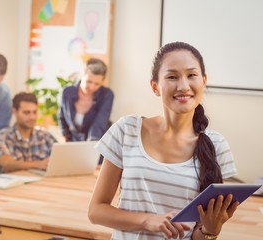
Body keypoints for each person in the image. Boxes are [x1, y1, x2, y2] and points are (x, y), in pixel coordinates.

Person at [88, 42, 239, 240]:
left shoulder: (216, 146)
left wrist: (210, 230)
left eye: (191, 75)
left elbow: (197, 235)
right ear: (155, 86)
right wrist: (148, 221)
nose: (183, 86)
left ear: (203, 81)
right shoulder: (127, 130)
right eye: (172, 77)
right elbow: (96, 211)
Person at [0, 92, 57, 173]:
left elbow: (61, 158)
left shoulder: (46, 136)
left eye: (34, 112)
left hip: (43, 183)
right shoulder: (1, 137)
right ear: (14, 111)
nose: (32, 117)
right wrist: (37, 164)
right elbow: (6, 164)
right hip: (15, 184)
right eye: (27, 113)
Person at [58, 58, 114, 142]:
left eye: (97, 84)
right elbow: (61, 116)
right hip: (73, 142)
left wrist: (90, 147)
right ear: (82, 76)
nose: (92, 87)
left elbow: (99, 123)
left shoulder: (107, 95)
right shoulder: (67, 92)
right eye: (89, 81)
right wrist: (65, 136)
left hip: (97, 142)